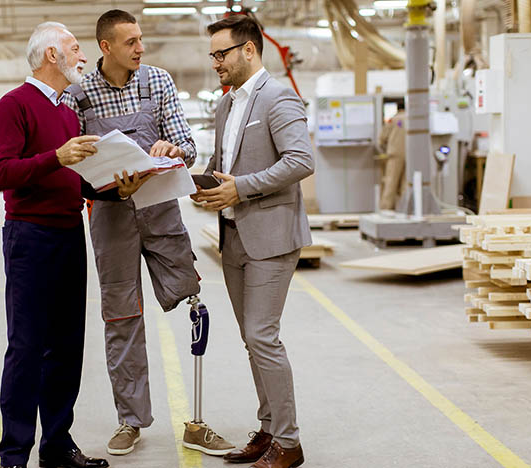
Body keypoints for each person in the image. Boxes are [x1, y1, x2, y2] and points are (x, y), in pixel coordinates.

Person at [62, 9, 233, 458]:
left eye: (141, 39)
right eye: (131, 42)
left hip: (159, 209)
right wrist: (103, 182)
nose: (141, 48)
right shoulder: (79, 95)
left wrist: (172, 147)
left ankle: (196, 420)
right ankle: (130, 420)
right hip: (109, 215)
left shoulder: (157, 81)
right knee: (121, 317)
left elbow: (188, 145)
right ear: (106, 47)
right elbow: (74, 165)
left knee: (193, 302)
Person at [0, 21, 149, 468]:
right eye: (76, 50)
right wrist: (56, 157)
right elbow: (1, 173)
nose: (83, 57)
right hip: (30, 237)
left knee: (66, 346)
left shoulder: (65, 111)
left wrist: (119, 188)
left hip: (67, 233)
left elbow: (74, 181)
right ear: (51, 56)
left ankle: (56, 445)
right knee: (26, 346)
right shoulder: (13, 105)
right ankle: (15, 453)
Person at [191, 15, 314, 468]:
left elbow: (301, 160)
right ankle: (268, 429)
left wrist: (240, 188)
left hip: (271, 235)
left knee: (263, 336)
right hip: (233, 236)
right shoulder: (226, 105)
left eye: (221, 54)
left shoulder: (279, 97)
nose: (215, 63)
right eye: (212, 55)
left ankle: (289, 442)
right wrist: (204, 183)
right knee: (252, 338)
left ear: (248, 50)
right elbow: (223, 160)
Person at [378, 100, 407, 210]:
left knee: (391, 182)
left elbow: (382, 138)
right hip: (410, 154)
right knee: (406, 184)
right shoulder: (412, 119)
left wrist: (382, 146)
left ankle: (386, 209)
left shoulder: (394, 119)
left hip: (395, 154)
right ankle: (405, 209)